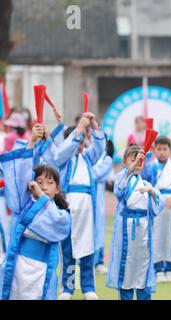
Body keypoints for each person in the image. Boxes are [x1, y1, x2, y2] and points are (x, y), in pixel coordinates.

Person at [0, 123, 71, 300]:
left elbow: (59, 222)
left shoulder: (62, 213)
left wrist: (42, 197)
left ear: (57, 188)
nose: (44, 187)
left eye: (49, 183)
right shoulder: (24, 204)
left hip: (42, 269)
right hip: (18, 266)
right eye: (39, 182)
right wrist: (32, 141)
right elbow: (20, 175)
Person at [55, 112, 106, 300]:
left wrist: (93, 125)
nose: (80, 145)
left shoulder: (87, 158)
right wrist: (78, 130)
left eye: (83, 141)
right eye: (77, 140)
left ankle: (88, 288)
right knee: (68, 249)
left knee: (87, 248)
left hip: (87, 211)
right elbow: (60, 153)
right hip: (68, 209)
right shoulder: (62, 161)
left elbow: (100, 147)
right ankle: (67, 289)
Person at [106, 145, 163, 300]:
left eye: (140, 161)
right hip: (126, 229)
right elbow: (118, 190)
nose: (137, 163)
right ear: (125, 162)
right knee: (126, 270)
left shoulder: (145, 183)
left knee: (143, 269)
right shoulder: (122, 178)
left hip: (144, 231)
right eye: (133, 160)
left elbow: (158, 207)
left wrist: (152, 192)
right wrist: (131, 168)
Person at [141, 136, 171, 283]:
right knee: (156, 235)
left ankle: (169, 268)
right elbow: (144, 177)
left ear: (170, 150)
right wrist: (146, 157)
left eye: (164, 149)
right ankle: (157, 268)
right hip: (156, 203)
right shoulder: (151, 166)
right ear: (154, 150)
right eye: (159, 149)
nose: (161, 152)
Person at [93, 138, 115, 274]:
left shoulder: (106, 159)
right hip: (83, 198)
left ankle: (98, 261)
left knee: (99, 229)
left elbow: (97, 174)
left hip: (98, 198)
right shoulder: (86, 155)